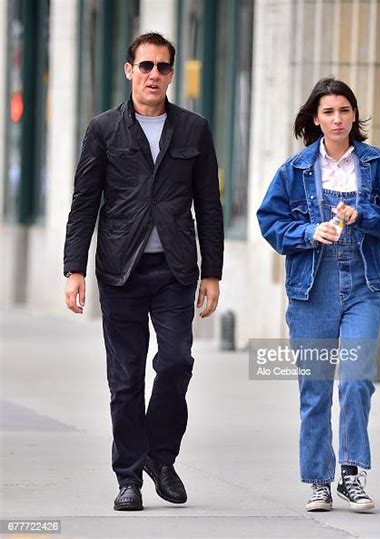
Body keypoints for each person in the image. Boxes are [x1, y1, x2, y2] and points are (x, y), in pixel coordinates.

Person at [64, 32, 224, 511]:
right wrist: (74, 270)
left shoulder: (193, 129)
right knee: (125, 379)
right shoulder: (103, 129)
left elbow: (209, 206)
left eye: (163, 67)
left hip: (176, 270)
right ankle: (129, 476)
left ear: (172, 74)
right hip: (120, 272)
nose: (154, 74)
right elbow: (84, 201)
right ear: (129, 69)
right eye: (146, 65)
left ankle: (162, 456)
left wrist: (212, 272)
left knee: (176, 363)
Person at [257, 77, 380, 512]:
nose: (337, 119)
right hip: (313, 287)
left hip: (365, 283)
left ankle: (351, 473)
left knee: (357, 377)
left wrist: (362, 214)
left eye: (344, 110)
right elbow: (270, 223)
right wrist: (310, 231)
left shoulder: (378, 165)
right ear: (315, 118)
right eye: (328, 111)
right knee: (316, 388)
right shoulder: (295, 170)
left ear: (354, 115)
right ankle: (318, 482)